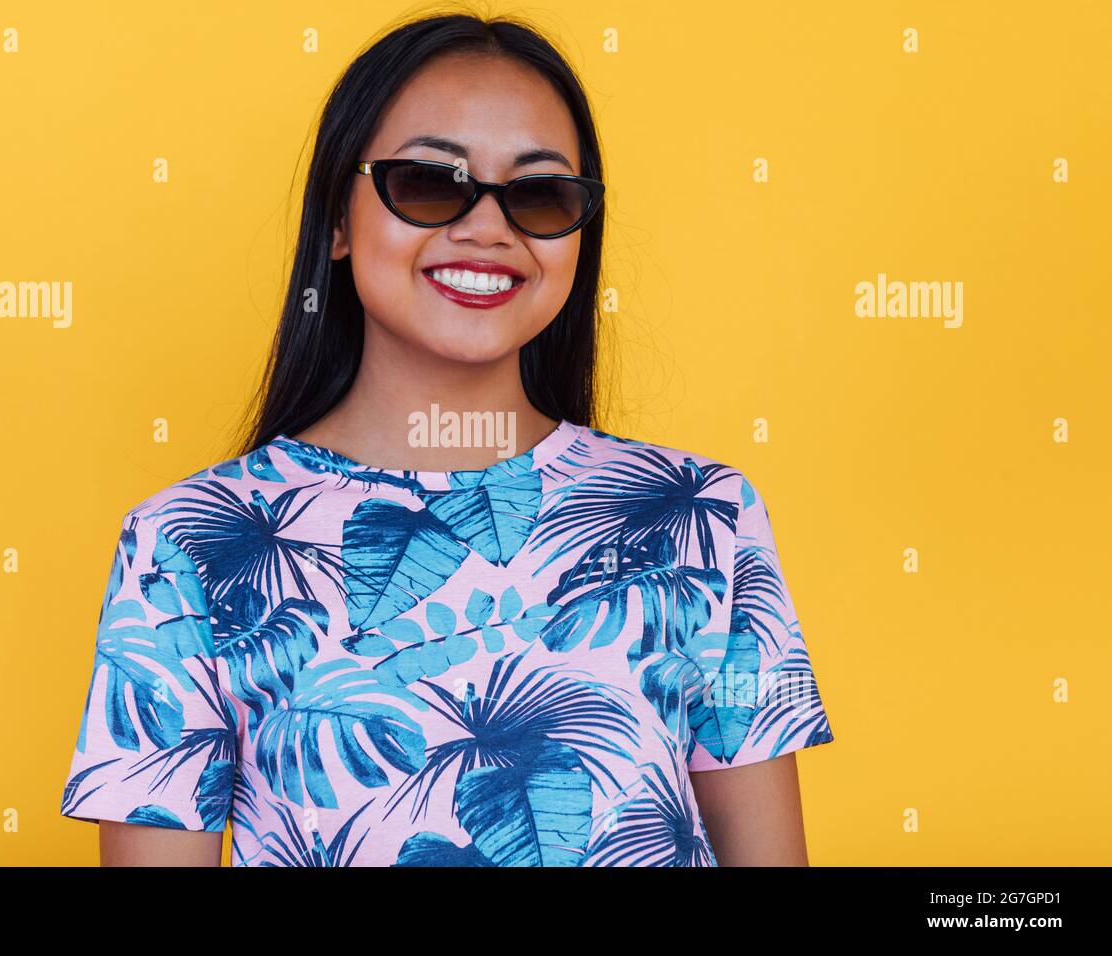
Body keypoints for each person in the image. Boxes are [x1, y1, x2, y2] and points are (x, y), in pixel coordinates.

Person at [58, 12, 835, 867]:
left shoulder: (704, 520)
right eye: (430, 183)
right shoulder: (187, 543)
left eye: (539, 195)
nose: (487, 229)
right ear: (337, 222)